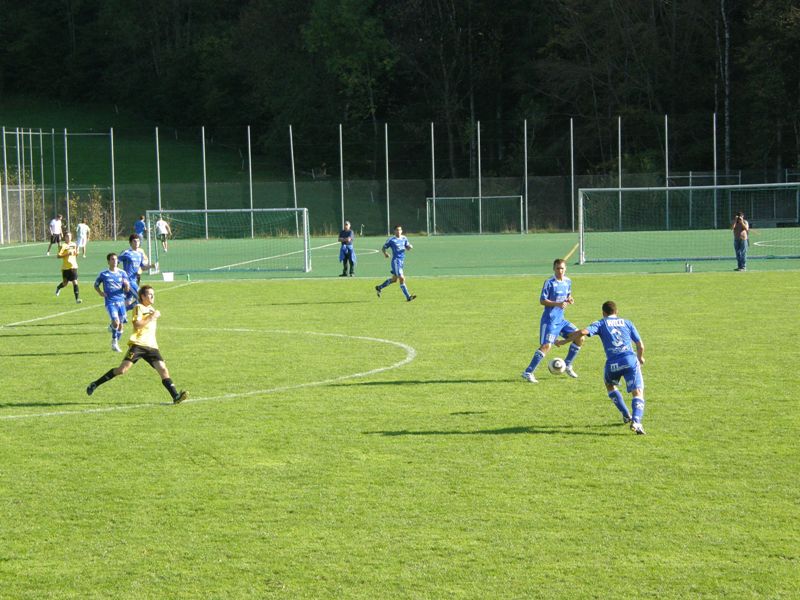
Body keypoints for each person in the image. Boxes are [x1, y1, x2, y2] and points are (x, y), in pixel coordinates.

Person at [86, 285, 188, 404]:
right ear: (143, 296)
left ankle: (175, 396)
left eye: (153, 294)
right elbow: (137, 325)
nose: (153, 296)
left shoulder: (152, 309)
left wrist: (153, 314)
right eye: (150, 294)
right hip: (138, 345)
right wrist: (152, 316)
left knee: (163, 369)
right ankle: (95, 384)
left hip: (152, 346)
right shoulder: (138, 307)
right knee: (122, 370)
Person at [563, 300, 646, 435]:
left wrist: (563, 341)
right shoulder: (627, 322)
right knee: (637, 392)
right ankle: (636, 421)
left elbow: (583, 332)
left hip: (612, 364)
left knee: (610, 385)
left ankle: (626, 414)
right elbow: (640, 345)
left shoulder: (601, 323)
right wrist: (640, 358)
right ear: (617, 311)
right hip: (629, 360)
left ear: (603, 313)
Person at [521, 258, 583, 383]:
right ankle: (528, 372)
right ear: (554, 269)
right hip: (549, 320)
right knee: (546, 346)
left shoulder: (568, 281)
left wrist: (570, 299)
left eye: (562, 268)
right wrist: (557, 304)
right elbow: (542, 300)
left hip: (561, 320)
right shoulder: (549, 282)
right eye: (558, 268)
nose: (560, 271)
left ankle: (567, 365)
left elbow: (568, 295)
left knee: (580, 337)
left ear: (565, 269)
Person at [94, 253, 130, 352]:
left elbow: (127, 290)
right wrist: (100, 292)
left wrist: (127, 285)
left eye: (116, 259)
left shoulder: (122, 273)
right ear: (108, 261)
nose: (114, 261)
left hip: (121, 301)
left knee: (121, 326)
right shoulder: (104, 274)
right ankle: (114, 341)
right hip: (110, 302)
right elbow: (96, 285)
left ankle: (115, 343)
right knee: (116, 321)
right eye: (112, 259)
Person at [375, 225, 416, 302]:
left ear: (402, 231)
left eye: (400, 230)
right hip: (396, 261)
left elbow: (407, 247)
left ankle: (379, 287)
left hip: (401, 261)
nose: (399, 231)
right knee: (402, 278)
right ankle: (408, 297)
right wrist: (385, 254)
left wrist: (409, 247)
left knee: (394, 280)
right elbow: (383, 248)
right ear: (394, 231)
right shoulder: (391, 240)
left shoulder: (404, 238)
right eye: (397, 230)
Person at [118, 234, 156, 309]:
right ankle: (148, 313)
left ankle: (121, 313)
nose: (136, 243)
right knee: (142, 298)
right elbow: (116, 263)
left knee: (127, 302)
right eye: (134, 241)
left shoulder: (140, 254)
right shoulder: (126, 252)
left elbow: (142, 267)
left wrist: (151, 266)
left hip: (134, 281)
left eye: (138, 241)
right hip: (128, 281)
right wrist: (120, 276)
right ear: (130, 243)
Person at [55, 231, 82, 303]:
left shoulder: (74, 244)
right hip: (65, 267)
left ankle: (77, 299)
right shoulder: (63, 245)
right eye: (67, 236)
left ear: (71, 237)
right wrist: (67, 254)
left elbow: (75, 254)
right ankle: (58, 287)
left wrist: (77, 253)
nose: (68, 237)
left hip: (73, 266)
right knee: (65, 283)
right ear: (65, 237)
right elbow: (58, 256)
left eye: (69, 236)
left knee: (75, 282)